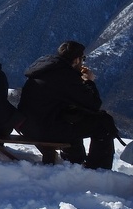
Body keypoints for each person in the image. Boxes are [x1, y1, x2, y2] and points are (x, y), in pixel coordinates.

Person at [18, 41, 118, 170]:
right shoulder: (64, 76)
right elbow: (93, 104)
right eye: (83, 59)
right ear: (76, 60)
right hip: (44, 129)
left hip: (28, 125)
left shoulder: (46, 69)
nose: (83, 62)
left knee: (73, 118)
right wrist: (89, 81)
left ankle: (74, 160)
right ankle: (98, 169)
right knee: (103, 123)